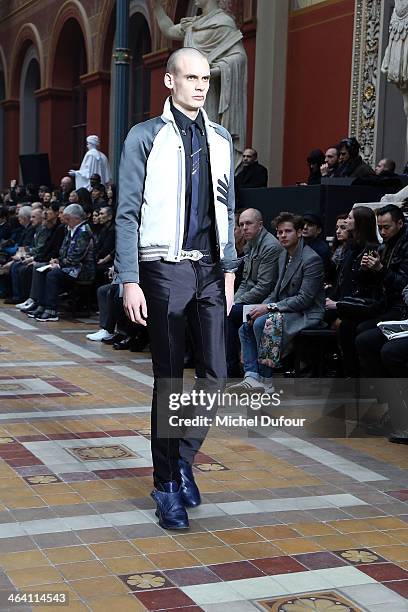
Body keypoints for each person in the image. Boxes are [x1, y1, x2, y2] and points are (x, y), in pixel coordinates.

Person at [114, 48, 236, 531]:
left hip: (210, 269)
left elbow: (226, 210)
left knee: (218, 377)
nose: (201, 86)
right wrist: (129, 278)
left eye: (206, 78)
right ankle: (165, 485)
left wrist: (229, 270)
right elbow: (127, 212)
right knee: (169, 383)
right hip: (162, 269)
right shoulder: (144, 136)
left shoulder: (222, 138)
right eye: (191, 77)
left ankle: (182, 458)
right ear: (169, 81)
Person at [229, 212, 325, 391]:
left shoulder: (311, 259)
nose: (282, 236)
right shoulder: (284, 256)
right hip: (286, 308)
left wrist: (269, 308)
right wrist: (261, 306)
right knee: (246, 324)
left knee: (263, 323)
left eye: (287, 231)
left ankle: (266, 380)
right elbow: (275, 291)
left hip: (306, 312)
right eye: (280, 232)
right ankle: (251, 376)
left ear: (298, 232)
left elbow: (304, 299)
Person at [154, 0, 247, 166]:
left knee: (206, 135)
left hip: (208, 92)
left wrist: (210, 73)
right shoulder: (193, 24)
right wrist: (157, 7)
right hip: (187, 93)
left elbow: (238, 57)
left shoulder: (223, 23)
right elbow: (168, 30)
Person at [227, 208, 282, 377]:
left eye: (248, 223)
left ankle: (231, 367)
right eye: (241, 224)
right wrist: (233, 301)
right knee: (226, 310)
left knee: (227, 314)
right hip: (251, 299)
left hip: (265, 301)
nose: (244, 228)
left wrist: (236, 303)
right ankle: (231, 366)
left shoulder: (270, 246)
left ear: (260, 225)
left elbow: (264, 286)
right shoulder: (250, 244)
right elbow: (245, 282)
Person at [26, 204, 95, 322]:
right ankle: (41, 305)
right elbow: (63, 250)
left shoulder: (84, 232)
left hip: (82, 269)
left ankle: (51, 310)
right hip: (69, 266)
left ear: (77, 218)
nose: (66, 222)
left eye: (68, 219)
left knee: (53, 275)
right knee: (43, 270)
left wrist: (60, 264)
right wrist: (57, 260)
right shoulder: (71, 229)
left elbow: (76, 257)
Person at [302, 212, 332, 278]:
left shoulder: (322, 249)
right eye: (303, 224)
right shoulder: (297, 245)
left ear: (318, 230)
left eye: (310, 225)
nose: (305, 227)